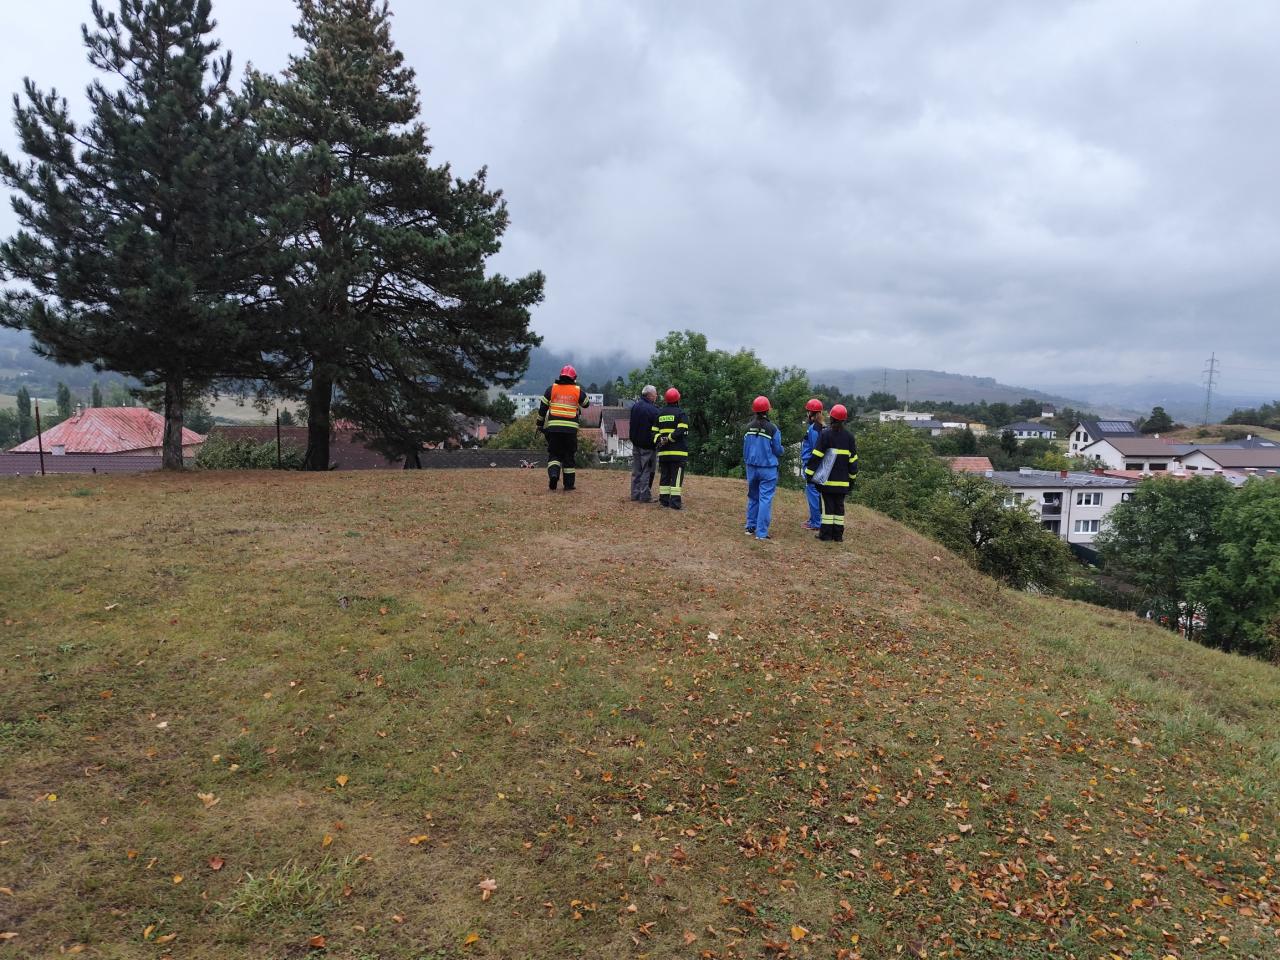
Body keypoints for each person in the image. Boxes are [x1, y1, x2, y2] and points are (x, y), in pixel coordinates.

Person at [805, 403, 857, 542]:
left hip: (827, 481)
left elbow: (816, 457)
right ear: (844, 420)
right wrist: (852, 480)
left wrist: (809, 475)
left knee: (828, 507)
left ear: (832, 418)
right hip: (843, 482)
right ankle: (838, 535)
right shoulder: (849, 437)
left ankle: (826, 535)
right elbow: (853, 461)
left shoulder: (825, 434)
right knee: (839, 508)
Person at [536, 364, 590, 491]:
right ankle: (569, 485)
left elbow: (542, 409)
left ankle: (554, 475)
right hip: (570, 431)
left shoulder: (551, 389)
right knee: (569, 456)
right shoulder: (577, 390)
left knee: (554, 454)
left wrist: (539, 424)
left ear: (560, 376)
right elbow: (586, 403)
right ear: (573, 378)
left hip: (554, 429)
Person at [743, 395, 784, 540]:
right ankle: (761, 533)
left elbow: (745, 449)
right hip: (767, 469)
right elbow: (778, 450)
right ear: (768, 410)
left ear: (754, 410)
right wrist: (782, 451)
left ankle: (750, 527)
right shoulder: (773, 429)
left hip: (751, 467)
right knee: (765, 499)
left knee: (753, 497)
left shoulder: (748, 428)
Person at [654, 387, 688, 509]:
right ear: (678, 399)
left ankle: (664, 501)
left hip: (664, 453)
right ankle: (675, 503)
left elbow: (653, 432)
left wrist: (660, 439)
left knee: (665, 477)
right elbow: (681, 429)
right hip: (678, 453)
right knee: (676, 478)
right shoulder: (681, 413)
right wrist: (669, 438)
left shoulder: (659, 414)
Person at [629, 385, 660, 502]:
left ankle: (635, 494)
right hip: (648, 445)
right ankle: (645, 496)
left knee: (636, 470)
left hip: (636, 443)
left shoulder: (635, 406)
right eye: (655, 394)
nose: (656, 396)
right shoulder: (653, 410)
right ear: (650, 395)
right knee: (647, 470)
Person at [800, 398, 824, 530]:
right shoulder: (819, 427)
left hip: (812, 466)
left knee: (813, 492)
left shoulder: (814, 429)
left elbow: (816, 450)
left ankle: (816, 522)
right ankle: (814, 519)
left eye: (808, 411)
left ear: (811, 413)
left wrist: (810, 468)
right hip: (814, 465)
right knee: (814, 493)